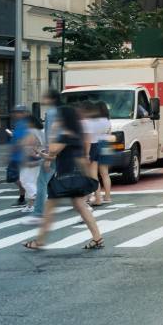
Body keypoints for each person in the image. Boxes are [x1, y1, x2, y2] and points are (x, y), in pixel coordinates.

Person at [24, 104, 102, 251]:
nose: (56, 119)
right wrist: (41, 154)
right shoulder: (72, 133)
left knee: (50, 208)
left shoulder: (66, 133)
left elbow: (53, 149)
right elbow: (54, 154)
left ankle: (39, 241)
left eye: (58, 117)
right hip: (72, 176)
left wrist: (53, 130)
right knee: (81, 207)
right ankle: (97, 238)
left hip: (66, 178)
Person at [25, 90, 61, 226]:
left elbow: (52, 134)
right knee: (58, 181)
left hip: (53, 152)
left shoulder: (51, 113)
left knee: (41, 182)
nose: (42, 99)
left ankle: (39, 213)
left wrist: (49, 155)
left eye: (45, 97)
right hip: (61, 150)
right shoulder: (61, 111)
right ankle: (84, 206)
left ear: (51, 99)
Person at [84, 102, 113, 207]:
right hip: (106, 145)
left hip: (95, 145)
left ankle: (97, 197)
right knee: (105, 173)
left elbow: (89, 136)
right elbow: (110, 133)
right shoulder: (107, 121)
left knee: (94, 174)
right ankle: (108, 196)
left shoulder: (92, 121)